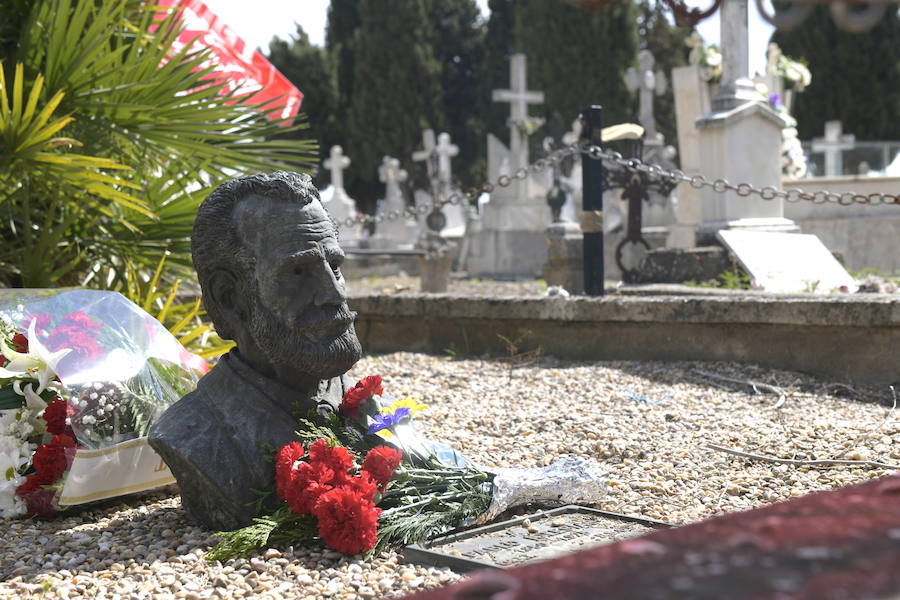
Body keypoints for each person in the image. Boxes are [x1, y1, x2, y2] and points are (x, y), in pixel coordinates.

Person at [148, 171, 363, 531]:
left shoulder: (362, 404)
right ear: (228, 298)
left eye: (335, 267)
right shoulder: (193, 436)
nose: (334, 294)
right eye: (297, 272)